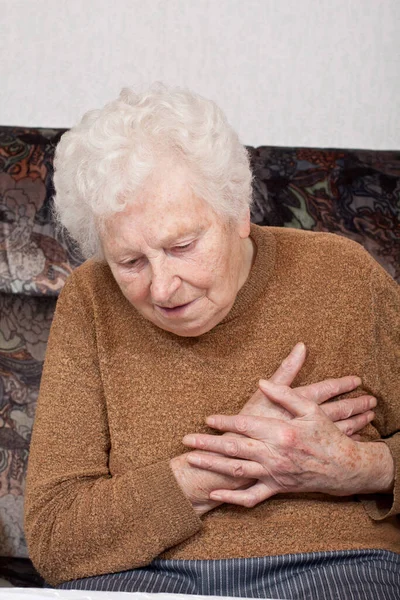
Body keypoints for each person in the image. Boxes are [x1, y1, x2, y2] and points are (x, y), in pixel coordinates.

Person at [24, 85, 400, 599]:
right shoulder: (90, 299)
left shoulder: (343, 275)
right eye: (130, 262)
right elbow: (54, 537)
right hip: (140, 578)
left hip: (336, 568)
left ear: (238, 213)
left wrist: (360, 468)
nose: (161, 288)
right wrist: (221, 465)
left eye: (181, 246)